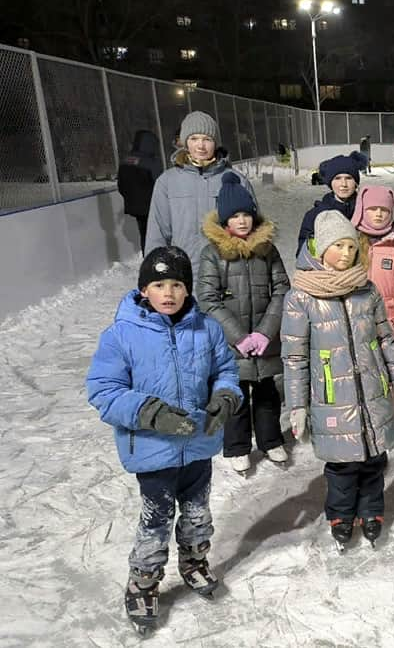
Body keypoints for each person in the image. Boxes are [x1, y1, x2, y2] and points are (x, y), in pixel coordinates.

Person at [86, 246, 242, 633]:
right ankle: (143, 580)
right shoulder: (122, 334)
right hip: (154, 451)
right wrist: (149, 412)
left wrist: (225, 396)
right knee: (156, 520)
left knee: (197, 514)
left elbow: (226, 370)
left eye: (176, 284)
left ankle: (193, 562)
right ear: (144, 290)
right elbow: (103, 390)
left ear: (188, 289)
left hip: (199, 445)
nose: (168, 293)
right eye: (158, 284)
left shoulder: (206, 329)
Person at [282, 211, 394, 551]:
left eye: (350, 247)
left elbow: (386, 339)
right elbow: (295, 357)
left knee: (373, 458)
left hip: (372, 391)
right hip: (331, 395)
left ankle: (372, 511)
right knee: (342, 466)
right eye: (337, 247)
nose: (345, 254)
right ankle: (340, 515)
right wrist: (297, 404)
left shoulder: (366, 290)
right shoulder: (301, 296)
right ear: (320, 248)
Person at [195, 173, 291, 474]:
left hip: (265, 339)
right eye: (235, 215)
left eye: (246, 214)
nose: (242, 221)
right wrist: (238, 337)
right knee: (235, 394)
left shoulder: (267, 251)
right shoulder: (212, 254)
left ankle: (270, 440)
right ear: (224, 220)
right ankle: (237, 446)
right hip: (230, 344)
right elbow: (208, 299)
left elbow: (282, 290)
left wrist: (265, 332)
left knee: (267, 393)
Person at [145, 111, 256, 276]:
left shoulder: (235, 180)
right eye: (194, 139)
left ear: (215, 143)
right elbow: (158, 232)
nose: (201, 146)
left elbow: (254, 229)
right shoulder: (167, 182)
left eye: (207, 139)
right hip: (183, 274)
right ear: (185, 142)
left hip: (226, 274)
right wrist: (155, 272)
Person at [351, 185, 394, 337]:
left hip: (389, 323)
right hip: (356, 321)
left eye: (384, 210)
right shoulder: (350, 243)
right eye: (372, 209)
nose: (378, 214)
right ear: (362, 210)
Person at [297, 151, 366, 255]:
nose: (344, 184)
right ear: (330, 183)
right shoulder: (315, 215)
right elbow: (304, 255)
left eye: (349, 178)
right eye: (337, 178)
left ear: (356, 182)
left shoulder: (367, 211)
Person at [117, 129, 163, 250]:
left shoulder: (124, 161)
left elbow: (121, 186)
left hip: (135, 208)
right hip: (154, 207)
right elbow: (161, 185)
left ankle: (147, 261)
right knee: (159, 236)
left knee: (144, 235)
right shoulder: (152, 162)